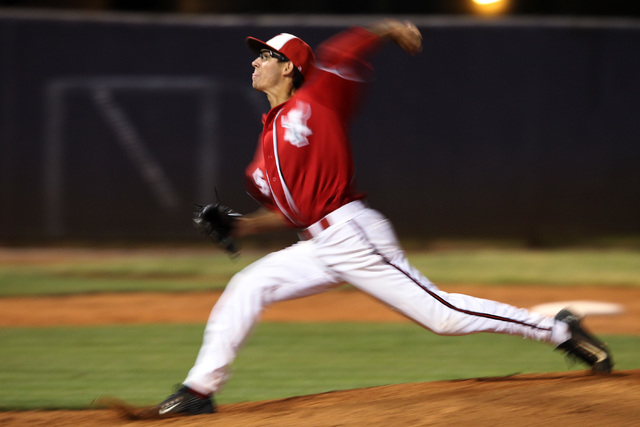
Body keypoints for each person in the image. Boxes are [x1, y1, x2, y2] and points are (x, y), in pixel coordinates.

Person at [153, 19, 612, 417]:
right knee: (248, 285)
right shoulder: (262, 154)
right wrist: (238, 225)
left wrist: (388, 28)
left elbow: (338, 52)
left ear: (289, 66)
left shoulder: (317, 100)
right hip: (316, 245)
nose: (254, 62)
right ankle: (199, 391)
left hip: (353, 234)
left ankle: (558, 329)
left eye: (265, 55)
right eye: (255, 57)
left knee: (442, 316)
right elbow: (292, 211)